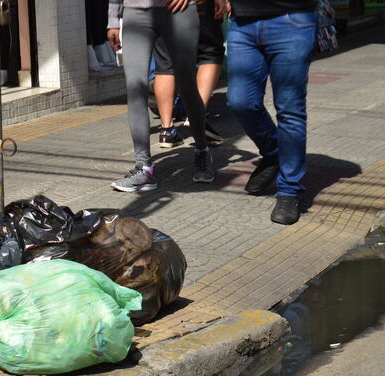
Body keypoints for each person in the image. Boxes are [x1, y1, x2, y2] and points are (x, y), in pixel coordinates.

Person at [220, 0, 315, 225]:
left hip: (292, 19)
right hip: (243, 22)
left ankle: (289, 191)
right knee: (240, 101)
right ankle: (274, 153)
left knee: (290, 109)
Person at [106, 0, 218, 192]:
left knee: (187, 84)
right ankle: (144, 167)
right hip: (135, 12)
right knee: (135, 89)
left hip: (179, 10)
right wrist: (113, 19)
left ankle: (202, 150)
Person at [152, 0, 226, 149]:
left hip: (159, 6)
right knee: (210, 55)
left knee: (165, 64)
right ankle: (196, 118)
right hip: (197, 4)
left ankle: (167, 130)